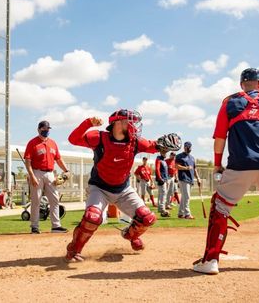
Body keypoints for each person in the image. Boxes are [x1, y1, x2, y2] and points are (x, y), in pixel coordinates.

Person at [193, 68, 259, 274]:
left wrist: (217, 164)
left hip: (240, 164)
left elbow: (220, 139)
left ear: (242, 84)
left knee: (220, 208)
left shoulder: (229, 103)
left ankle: (211, 260)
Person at [64, 109, 181, 262]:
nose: (134, 125)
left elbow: (153, 146)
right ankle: (74, 249)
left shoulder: (135, 141)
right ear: (117, 122)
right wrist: (88, 123)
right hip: (99, 187)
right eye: (130, 121)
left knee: (148, 218)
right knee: (92, 217)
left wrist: (163, 145)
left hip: (123, 189)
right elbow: (73, 139)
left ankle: (130, 235)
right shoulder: (99, 137)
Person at [24, 120, 70, 234]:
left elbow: (58, 159)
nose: (46, 131)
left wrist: (66, 170)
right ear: (39, 129)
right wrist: (32, 176)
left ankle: (56, 226)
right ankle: (34, 226)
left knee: (54, 199)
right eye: (44, 129)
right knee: (36, 200)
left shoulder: (53, 143)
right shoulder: (32, 143)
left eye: (48, 129)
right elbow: (28, 161)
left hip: (50, 173)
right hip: (37, 172)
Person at [175, 142, 201, 219]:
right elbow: (176, 166)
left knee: (184, 197)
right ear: (185, 147)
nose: (189, 149)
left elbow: (194, 169)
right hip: (183, 178)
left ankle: (180, 213)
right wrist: (186, 168)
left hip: (190, 179)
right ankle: (187, 214)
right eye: (188, 147)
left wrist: (198, 178)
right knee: (187, 197)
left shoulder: (192, 158)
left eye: (190, 147)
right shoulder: (179, 156)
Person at [155, 148, 170, 217]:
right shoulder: (159, 159)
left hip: (165, 179)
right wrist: (160, 178)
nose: (165, 153)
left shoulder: (164, 160)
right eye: (164, 152)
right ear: (161, 152)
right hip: (161, 180)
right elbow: (157, 169)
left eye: (166, 152)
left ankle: (160, 208)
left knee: (162, 194)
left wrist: (167, 180)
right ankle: (162, 209)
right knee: (163, 194)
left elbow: (165, 171)